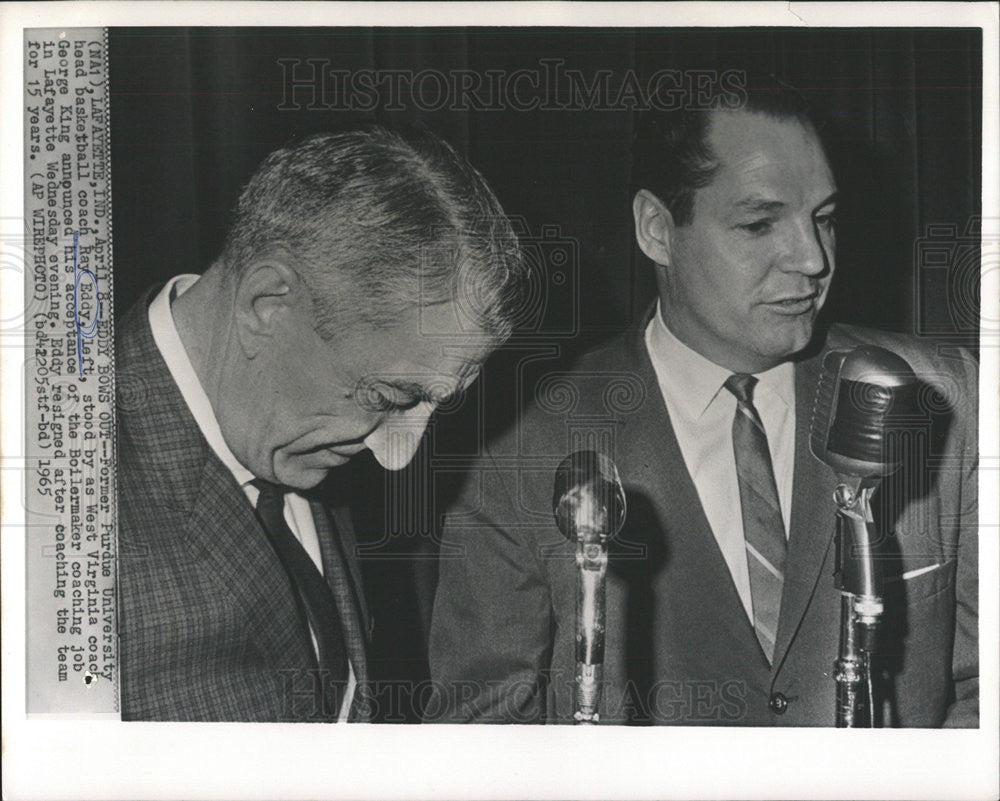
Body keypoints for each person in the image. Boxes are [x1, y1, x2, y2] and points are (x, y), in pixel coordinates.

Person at [426, 77, 978, 726]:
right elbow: (482, 740)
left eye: (824, 219)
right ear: (657, 230)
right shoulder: (523, 441)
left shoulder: (944, 392)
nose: (812, 259)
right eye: (760, 223)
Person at [115, 124, 524, 721]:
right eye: (387, 396)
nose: (396, 455)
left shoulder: (289, 434)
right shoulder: (49, 497)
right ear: (268, 304)